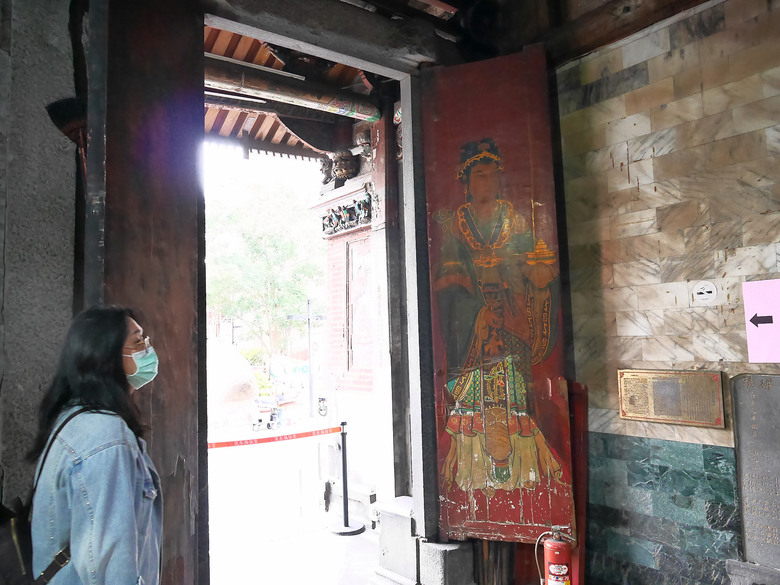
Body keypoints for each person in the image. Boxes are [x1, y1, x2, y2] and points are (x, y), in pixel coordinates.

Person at [433, 138, 563, 498]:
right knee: (476, 396)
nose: (487, 182)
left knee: (514, 395)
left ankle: (520, 467)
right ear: (467, 182)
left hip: (512, 315)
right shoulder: (456, 224)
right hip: (474, 324)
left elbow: (529, 259)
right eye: (479, 176)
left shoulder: (515, 218)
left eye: (492, 175)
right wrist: (476, 311)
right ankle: (475, 469)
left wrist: (534, 271)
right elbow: (448, 278)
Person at [28, 305, 162, 585]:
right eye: (138, 341)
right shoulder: (107, 437)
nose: (148, 349)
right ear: (107, 357)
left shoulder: (73, 418)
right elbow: (113, 566)